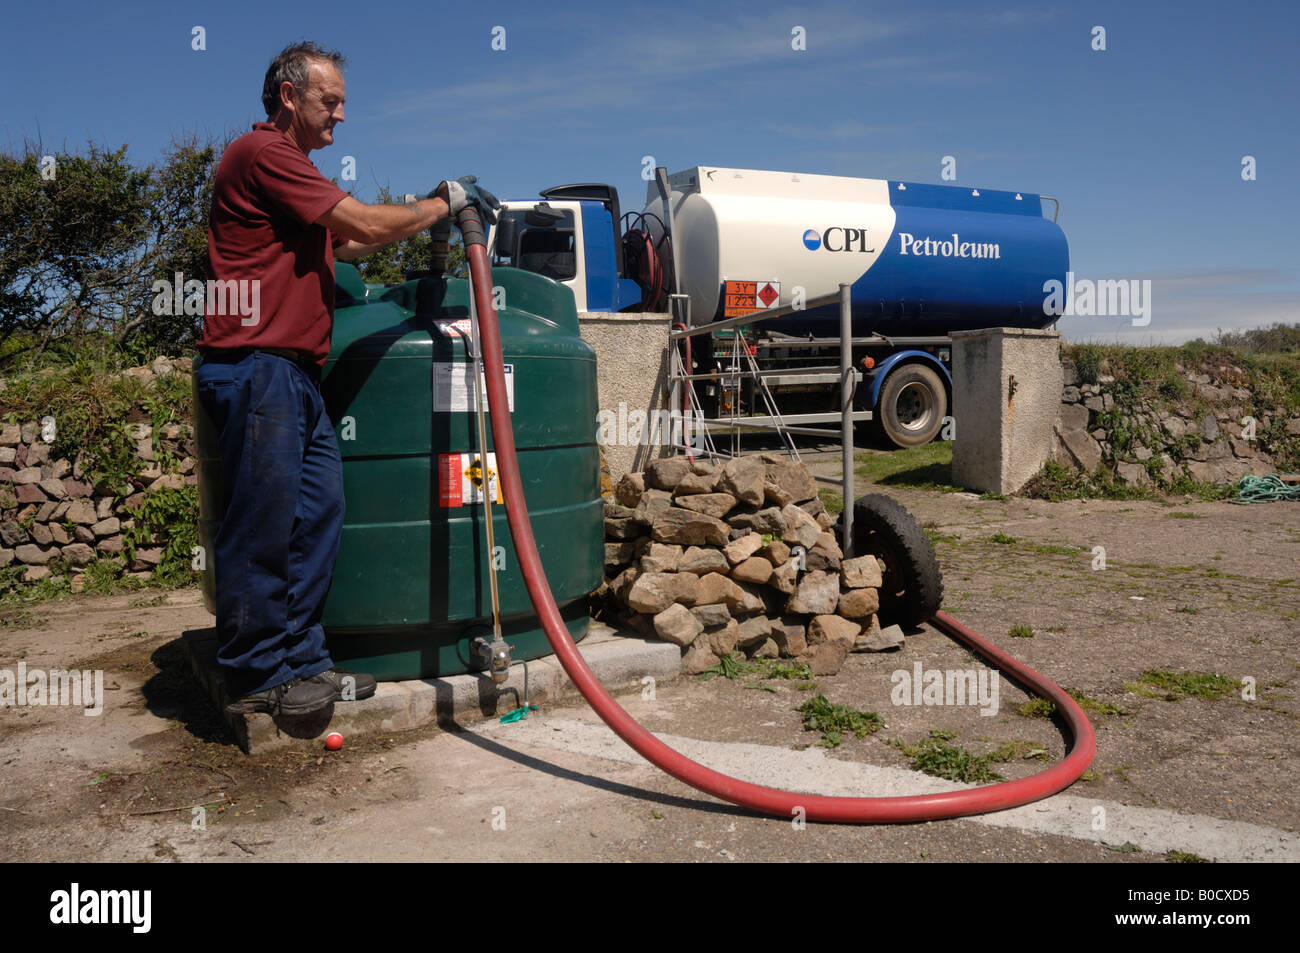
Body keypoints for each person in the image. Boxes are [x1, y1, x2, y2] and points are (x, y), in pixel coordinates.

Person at [196, 41, 499, 715]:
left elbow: (353, 240)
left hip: (294, 375)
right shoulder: (264, 155)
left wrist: (421, 221)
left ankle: (302, 661)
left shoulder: (293, 177)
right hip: (255, 368)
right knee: (264, 524)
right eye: (329, 101)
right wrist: (441, 202)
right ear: (288, 97)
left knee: (317, 513)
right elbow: (360, 219)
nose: (340, 116)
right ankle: (254, 676)